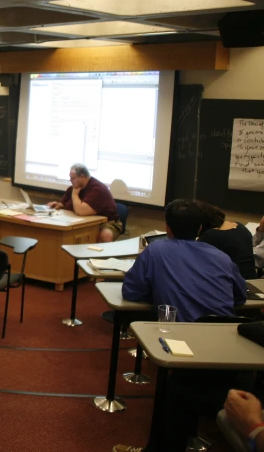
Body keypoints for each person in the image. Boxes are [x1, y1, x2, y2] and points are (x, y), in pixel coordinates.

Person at [116, 199, 248, 452]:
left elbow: (131, 292)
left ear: (168, 228)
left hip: (184, 349)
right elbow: (240, 297)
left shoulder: (155, 252)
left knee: (177, 390)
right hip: (230, 350)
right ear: (200, 229)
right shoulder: (221, 257)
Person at [46, 163, 122, 242]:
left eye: (73, 178)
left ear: (82, 177)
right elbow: (65, 203)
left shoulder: (97, 189)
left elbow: (81, 211)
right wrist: (59, 205)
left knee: (106, 235)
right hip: (79, 221)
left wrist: (75, 195)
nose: (70, 180)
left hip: (107, 222)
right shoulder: (74, 187)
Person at [196, 200, 256, 279]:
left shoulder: (211, 236)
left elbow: (195, 261)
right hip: (251, 280)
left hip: (232, 283)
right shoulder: (240, 226)